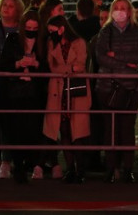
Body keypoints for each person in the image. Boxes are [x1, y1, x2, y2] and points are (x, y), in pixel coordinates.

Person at [94, 0, 138, 183]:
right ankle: (110, 167)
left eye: (124, 8)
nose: (120, 11)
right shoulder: (105, 31)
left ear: (130, 11)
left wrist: (115, 56)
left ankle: (127, 168)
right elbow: (101, 57)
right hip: (108, 87)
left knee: (127, 129)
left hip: (132, 88)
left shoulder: (137, 31)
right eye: (117, 7)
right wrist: (126, 63)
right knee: (110, 129)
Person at [0, 8, 48, 182]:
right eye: (28, 28)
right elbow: (3, 63)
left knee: (33, 131)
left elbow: (48, 67)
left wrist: (36, 64)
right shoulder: (12, 39)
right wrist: (19, 64)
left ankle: (33, 164)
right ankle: (18, 166)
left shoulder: (43, 42)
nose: (31, 32)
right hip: (15, 92)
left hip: (35, 93)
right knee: (16, 131)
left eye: (35, 29)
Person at [43, 13, 92, 184]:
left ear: (62, 28)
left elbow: (81, 65)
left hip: (75, 90)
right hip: (58, 91)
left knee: (78, 133)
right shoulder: (51, 43)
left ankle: (81, 169)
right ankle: (70, 168)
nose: (51, 33)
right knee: (63, 129)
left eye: (53, 30)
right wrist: (70, 67)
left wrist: (66, 68)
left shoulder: (79, 42)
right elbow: (52, 67)